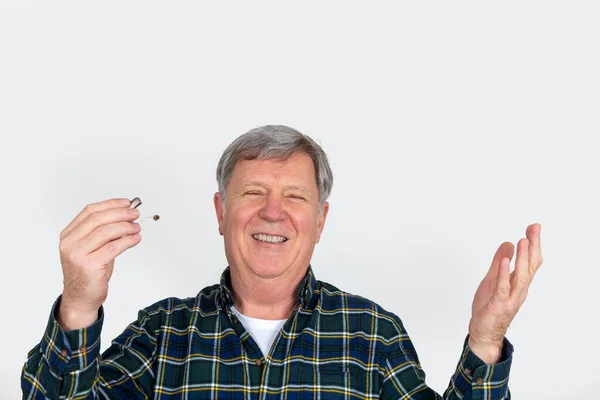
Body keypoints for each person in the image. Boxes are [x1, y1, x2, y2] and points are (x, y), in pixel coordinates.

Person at [21, 125, 543, 399]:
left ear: (320, 220)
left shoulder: (372, 335)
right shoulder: (161, 334)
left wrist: (485, 339)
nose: (273, 212)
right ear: (221, 213)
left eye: (295, 196)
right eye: (253, 192)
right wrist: (79, 306)